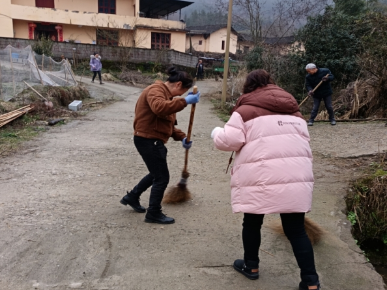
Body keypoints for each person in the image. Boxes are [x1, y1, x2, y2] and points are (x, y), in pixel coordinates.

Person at [211, 69, 320, 290]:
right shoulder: (295, 113)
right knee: (296, 230)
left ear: (248, 87)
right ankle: (311, 282)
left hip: (260, 176)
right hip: (295, 176)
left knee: (252, 222)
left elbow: (229, 141)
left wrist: (216, 132)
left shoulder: (244, 111)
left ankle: (251, 266)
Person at [120, 67, 200, 224]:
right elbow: (159, 108)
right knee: (162, 177)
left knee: (155, 173)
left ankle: (132, 197)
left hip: (151, 139)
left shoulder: (166, 95)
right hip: (149, 140)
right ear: (178, 84)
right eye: (182, 92)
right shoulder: (156, 90)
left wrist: (182, 137)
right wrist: (184, 102)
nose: (181, 95)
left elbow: (167, 125)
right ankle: (153, 213)